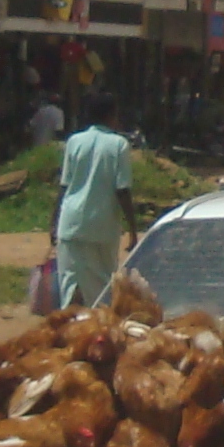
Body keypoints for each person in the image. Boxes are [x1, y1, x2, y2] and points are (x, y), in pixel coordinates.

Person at [52, 91, 138, 308]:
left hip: (70, 223)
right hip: (102, 226)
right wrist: (133, 229)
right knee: (102, 291)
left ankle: (69, 332)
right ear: (112, 115)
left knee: (70, 285)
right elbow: (123, 190)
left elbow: (64, 186)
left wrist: (54, 222)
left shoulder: (74, 141)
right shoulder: (119, 145)